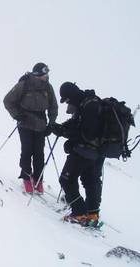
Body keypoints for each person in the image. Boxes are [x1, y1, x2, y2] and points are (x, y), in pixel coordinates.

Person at [51, 82, 105, 226]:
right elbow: (77, 123)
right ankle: (93, 215)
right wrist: (61, 128)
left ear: (71, 95)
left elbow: (86, 132)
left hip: (85, 151)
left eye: (67, 100)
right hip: (97, 152)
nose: (67, 103)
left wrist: (67, 136)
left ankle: (79, 213)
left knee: (66, 179)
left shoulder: (89, 106)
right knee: (91, 180)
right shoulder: (87, 103)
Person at [3, 63, 58, 193]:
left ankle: (38, 179)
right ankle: (27, 177)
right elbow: (7, 101)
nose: (47, 76)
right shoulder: (24, 84)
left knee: (39, 153)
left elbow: (53, 106)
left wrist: (51, 123)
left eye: (47, 74)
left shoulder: (48, 87)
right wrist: (17, 115)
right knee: (27, 150)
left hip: (41, 125)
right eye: (45, 74)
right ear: (38, 75)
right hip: (25, 123)